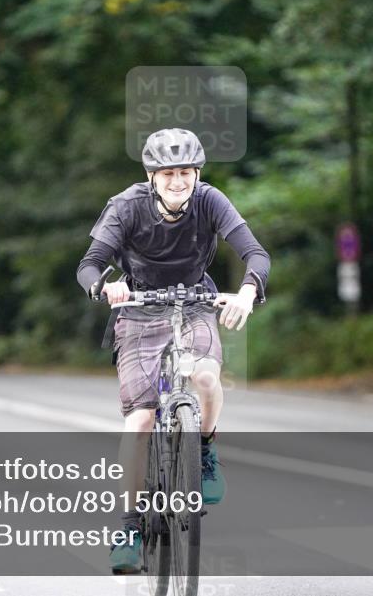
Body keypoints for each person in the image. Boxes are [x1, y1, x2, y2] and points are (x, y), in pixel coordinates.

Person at [76, 128, 271, 573]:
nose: (178, 181)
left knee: (205, 376)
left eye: (185, 172)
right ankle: (128, 526)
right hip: (139, 309)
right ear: (152, 177)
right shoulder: (126, 207)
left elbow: (256, 255)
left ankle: (203, 450)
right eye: (168, 174)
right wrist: (104, 288)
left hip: (195, 303)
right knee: (141, 419)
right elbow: (89, 264)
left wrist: (244, 292)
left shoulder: (210, 201)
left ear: (197, 173)